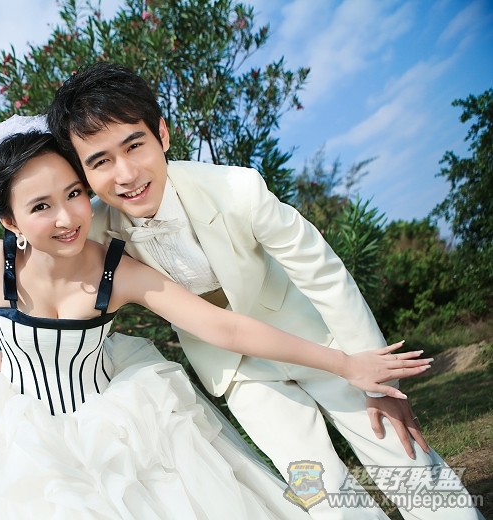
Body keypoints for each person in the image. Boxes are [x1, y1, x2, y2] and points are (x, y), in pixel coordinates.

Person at [0, 117, 428, 520]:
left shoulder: (116, 270)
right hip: (21, 435)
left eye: (75, 193)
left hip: (119, 423)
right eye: (41, 206)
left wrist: (344, 362)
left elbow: (225, 328)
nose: (67, 216)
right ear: (10, 221)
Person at [46, 62, 483, 520]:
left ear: (162, 134)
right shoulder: (95, 232)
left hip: (314, 337)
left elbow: (322, 273)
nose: (126, 174)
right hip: (236, 369)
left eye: (134, 145)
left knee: (400, 452)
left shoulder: (238, 189)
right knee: (316, 485)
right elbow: (48, 278)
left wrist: (378, 377)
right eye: (100, 162)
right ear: (83, 175)